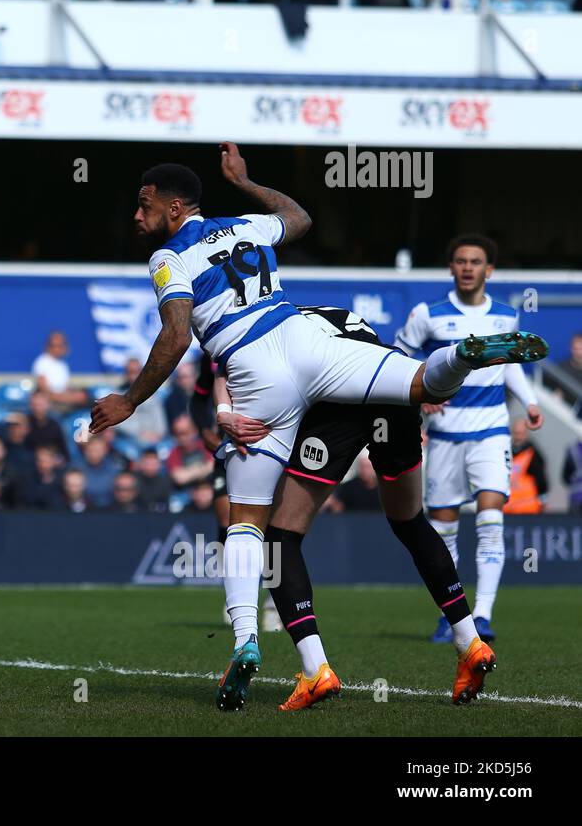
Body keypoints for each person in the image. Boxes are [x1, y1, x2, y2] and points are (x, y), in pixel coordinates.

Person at [87, 143, 545, 711]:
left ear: (175, 208)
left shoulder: (166, 258)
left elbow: (177, 337)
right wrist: (248, 181)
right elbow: (301, 219)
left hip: (255, 366)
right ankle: (462, 355)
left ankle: (251, 643)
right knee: (424, 385)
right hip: (315, 343)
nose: (136, 215)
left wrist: (131, 401)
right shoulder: (242, 227)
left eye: (144, 203)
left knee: (251, 524)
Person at [213, 304, 499, 708]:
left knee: (278, 537)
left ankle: (315, 669)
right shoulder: (323, 312)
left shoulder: (260, 331)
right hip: (390, 381)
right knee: (411, 522)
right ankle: (470, 642)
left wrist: (225, 413)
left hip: (341, 398)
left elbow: (232, 379)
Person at [395, 233, 544, 643]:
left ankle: (482, 615)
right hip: (444, 435)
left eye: (475, 261)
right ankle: (452, 616)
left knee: (491, 518)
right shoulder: (429, 314)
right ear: (451, 267)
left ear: (488, 270)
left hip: (491, 430)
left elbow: (512, 365)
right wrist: (419, 397)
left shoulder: (505, 317)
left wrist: (529, 401)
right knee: (443, 530)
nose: (467, 268)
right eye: (460, 261)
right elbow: (400, 355)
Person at [31, 330, 89, 410]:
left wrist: (77, 394)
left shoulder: (63, 364)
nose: (57, 349)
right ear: (48, 346)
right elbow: (44, 391)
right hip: (51, 405)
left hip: (63, 401)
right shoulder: (42, 362)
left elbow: (65, 387)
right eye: (54, 345)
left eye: (60, 346)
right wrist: (69, 398)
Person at [505, 417, 549, 514]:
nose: (518, 437)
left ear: (527, 434)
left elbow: (542, 482)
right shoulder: (506, 453)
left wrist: (543, 503)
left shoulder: (533, 455)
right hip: (507, 510)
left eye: (521, 433)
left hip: (528, 510)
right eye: (516, 433)